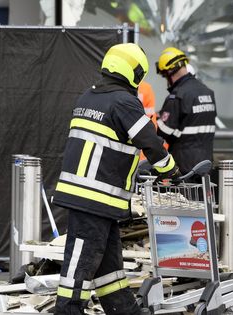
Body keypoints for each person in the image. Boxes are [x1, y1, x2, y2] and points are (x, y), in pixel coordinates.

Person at [52, 43, 180, 315]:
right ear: (134, 73)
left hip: (92, 197)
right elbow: (150, 141)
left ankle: (125, 311)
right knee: (79, 266)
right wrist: (169, 171)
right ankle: (67, 310)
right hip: (95, 197)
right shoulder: (123, 102)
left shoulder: (88, 97)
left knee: (109, 268)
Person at [155, 47, 217, 175]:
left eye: (165, 75)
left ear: (170, 71)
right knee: (202, 195)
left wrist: (158, 118)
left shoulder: (178, 96)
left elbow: (163, 132)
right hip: (205, 164)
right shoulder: (207, 92)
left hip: (184, 166)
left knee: (183, 196)